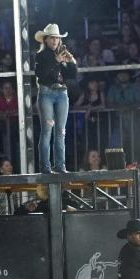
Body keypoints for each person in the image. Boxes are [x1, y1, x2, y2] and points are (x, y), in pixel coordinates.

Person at [33, 23, 79, 174]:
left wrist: (71, 61)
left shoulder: (62, 54)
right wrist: (56, 62)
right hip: (46, 93)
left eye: (57, 38)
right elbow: (42, 75)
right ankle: (45, 167)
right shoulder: (41, 56)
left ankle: (60, 166)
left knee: (60, 131)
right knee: (47, 131)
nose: (55, 41)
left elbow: (72, 74)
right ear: (46, 40)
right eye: (52, 38)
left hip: (62, 94)